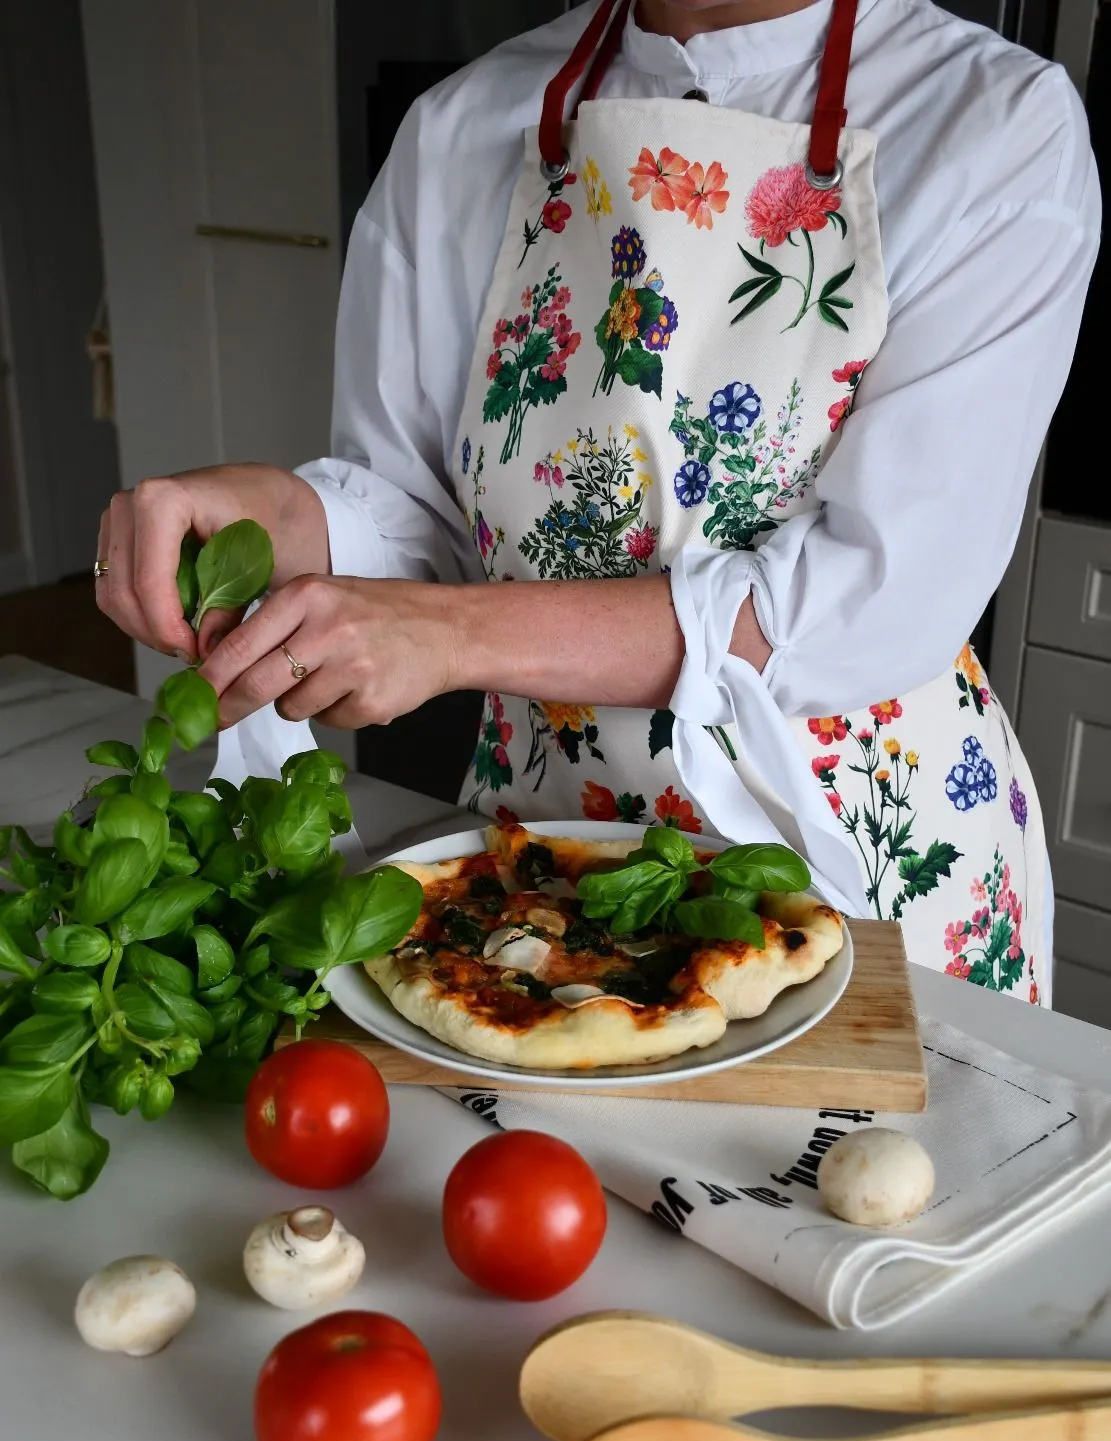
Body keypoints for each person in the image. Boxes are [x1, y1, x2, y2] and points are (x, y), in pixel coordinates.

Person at [94, 0, 1100, 1002]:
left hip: (866, 860)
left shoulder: (994, 124)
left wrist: (450, 636)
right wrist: (272, 517)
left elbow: (869, 601)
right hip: (542, 860)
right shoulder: (463, 124)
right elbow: (416, 512)